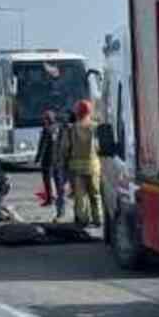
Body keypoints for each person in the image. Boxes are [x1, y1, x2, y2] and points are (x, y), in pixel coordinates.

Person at [63, 99, 102, 233]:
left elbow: (65, 147)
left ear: (77, 112)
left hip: (76, 167)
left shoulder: (71, 129)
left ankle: (83, 220)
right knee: (96, 194)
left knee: (80, 196)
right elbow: (99, 147)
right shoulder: (96, 127)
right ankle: (98, 219)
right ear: (90, 112)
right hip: (94, 166)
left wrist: (64, 162)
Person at [35, 110, 58, 207]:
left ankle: (49, 199)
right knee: (57, 179)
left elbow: (43, 145)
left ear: (47, 119)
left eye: (44, 118)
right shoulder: (57, 128)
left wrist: (38, 158)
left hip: (47, 159)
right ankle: (58, 197)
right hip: (57, 157)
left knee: (47, 180)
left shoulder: (46, 129)